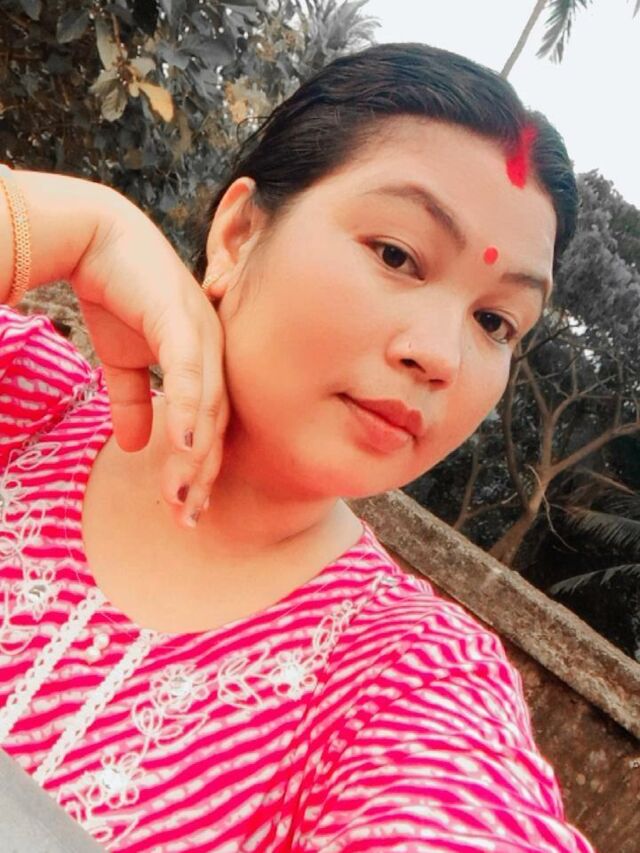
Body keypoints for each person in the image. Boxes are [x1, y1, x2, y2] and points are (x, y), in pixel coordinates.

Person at [0, 41, 595, 852]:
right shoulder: (25, 399)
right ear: (239, 232)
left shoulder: (409, 679)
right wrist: (66, 224)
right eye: (397, 254)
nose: (441, 356)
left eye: (495, 322)